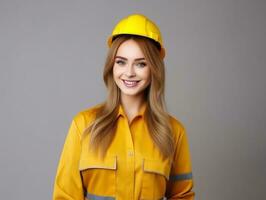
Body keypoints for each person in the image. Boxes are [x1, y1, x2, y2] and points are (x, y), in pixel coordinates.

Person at [53, 13, 195, 200]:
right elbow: (65, 196)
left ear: (154, 69)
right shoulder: (84, 125)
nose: (129, 73)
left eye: (141, 64)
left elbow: (182, 196)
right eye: (121, 62)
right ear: (112, 66)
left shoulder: (174, 132)